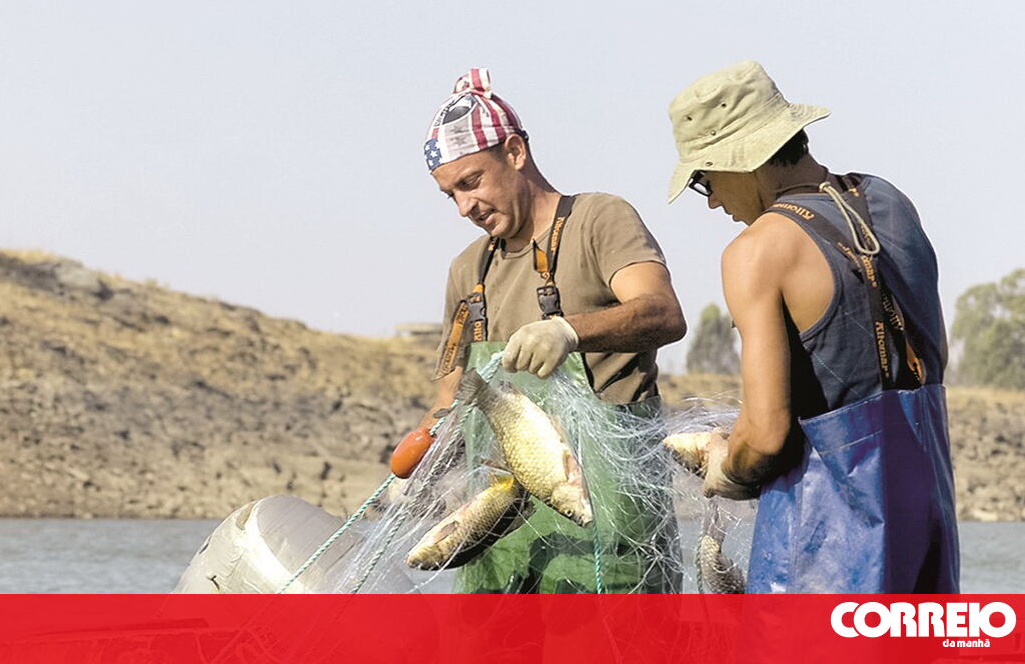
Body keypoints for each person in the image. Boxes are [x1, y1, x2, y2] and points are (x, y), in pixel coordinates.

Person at [666, 60, 959, 593]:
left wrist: (726, 465)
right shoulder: (890, 200)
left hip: (825, 544)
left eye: (706, 181)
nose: (714, 201)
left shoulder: (756, 251)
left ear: (741, 160)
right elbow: (927, 358)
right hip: (928, 518)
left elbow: (766, 436)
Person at [396, 68, 688, 594]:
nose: (464, 208)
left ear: (514, 152)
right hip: (501, 546)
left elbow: (663, 312)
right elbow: (451, 400)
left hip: (609, 537)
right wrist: (422, 467)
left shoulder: (599, 220)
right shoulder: (468, 271)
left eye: (471, 183)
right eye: (450, 195)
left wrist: (569, 332)